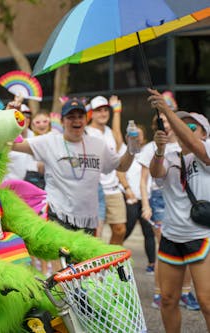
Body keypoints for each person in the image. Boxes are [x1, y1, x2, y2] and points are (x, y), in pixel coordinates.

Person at [13, 98, 135, 234]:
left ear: (86, 119)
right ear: (62, 121)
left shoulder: (98, 145)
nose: (76, 121)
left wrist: (131, 149)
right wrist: (12, 118)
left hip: (87, 219)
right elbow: (13, 144)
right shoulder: (49, 141)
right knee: (57, 254)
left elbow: (122, 166)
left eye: (80, 116)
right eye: (71, 117)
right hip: (58, 215)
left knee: (86, 255)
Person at [147, 88, 210, 332]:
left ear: (204, 132)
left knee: (206, 302)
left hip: (201, 237)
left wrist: (166, 110)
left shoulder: (206, 149)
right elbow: (156, 173)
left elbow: (195, 145)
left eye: (192, 126)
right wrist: (160, 150)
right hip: (172, 237)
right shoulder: (171, 155)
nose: (185, 129)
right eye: (181, 125)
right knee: (168, 300)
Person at [139, 113, 200, 311]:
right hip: (159, 199)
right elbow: (144, 180)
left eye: (169, 120)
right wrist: (146, 205)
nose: (166, 124)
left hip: (184, 199)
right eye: (162, 121)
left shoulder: (186, 143)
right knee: (164, 248)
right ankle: (159, 293)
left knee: (190, 248)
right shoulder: (150, 148)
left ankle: (185, 293)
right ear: (155, 123)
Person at [86, 95, 127, 244]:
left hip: (113, 188)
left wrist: (117, 112)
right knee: (96, 234)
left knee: (120, 229)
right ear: (92, 113)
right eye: (98, 110)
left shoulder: (110, 131)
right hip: (95, 190)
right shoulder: (86, 132)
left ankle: (111, 263)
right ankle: (97, 264)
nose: (103, 113)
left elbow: (118, 143)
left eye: (105, 110)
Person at [117, 124, 157, 274]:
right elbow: (119, 173)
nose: (137, 137)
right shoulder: (125, 151)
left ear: (144, 137)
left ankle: (152, 263)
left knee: (149, 233)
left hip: (146, 198)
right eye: (134, 134)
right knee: (125, 230)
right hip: (131, 199)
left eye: (139, 134)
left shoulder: (149, 151)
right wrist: (128, 190)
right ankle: (114, 256)